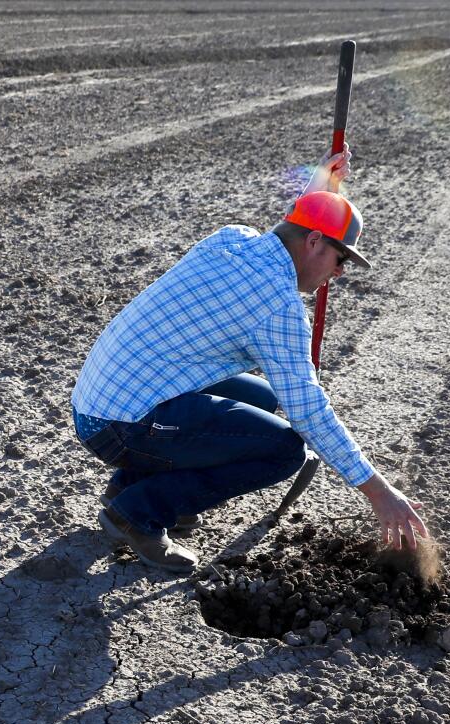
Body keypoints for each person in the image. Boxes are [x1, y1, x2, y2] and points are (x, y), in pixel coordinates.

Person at [69, 150, 430, 575]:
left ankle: (128, 487)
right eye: (341, 258)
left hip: (102, 396)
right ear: (315, 242)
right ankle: (137, 513)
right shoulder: (277, 305)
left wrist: (319, 191)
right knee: (283, 449)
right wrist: (378, 492)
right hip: (116, 426)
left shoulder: (233, 239)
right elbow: (309, 410)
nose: (340, 272)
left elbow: (290, 230)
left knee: (263, 399)